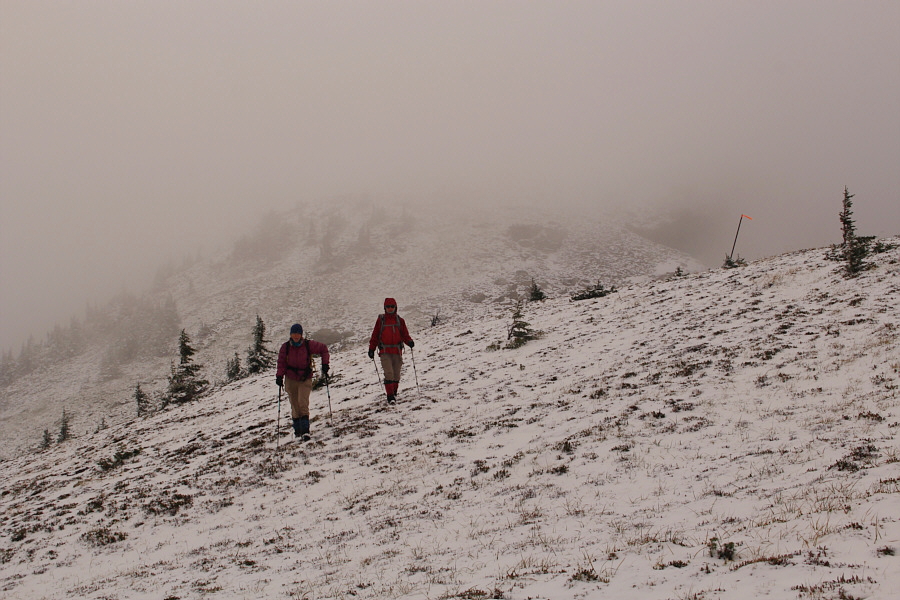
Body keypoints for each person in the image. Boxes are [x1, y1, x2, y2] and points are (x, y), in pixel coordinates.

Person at [275, 324, 330, 437]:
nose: (296, 336)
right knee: (295, 405)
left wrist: (325, 364)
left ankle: (305, 431)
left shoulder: (308, 345)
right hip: (290, 379)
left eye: (298, 333)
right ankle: (297, 431)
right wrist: (279, 376)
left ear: (301, 334)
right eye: (294, 333)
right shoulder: (285, 347)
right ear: (290, 334)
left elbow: (323, 349)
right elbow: (281, 363)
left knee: (302, 403)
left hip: (305, 378)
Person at [368, 298, 414, 404]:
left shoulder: (400, 321)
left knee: (396, 375)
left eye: (392, 306)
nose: (390, 309)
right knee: (389, 373)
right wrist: (371, 349)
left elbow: (405, 335)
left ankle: (394, 393)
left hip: (397, 351)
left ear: (395, 307)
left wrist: (409, 341)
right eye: (388, 307)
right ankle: (390, 397)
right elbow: (375, 335)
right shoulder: (381, 320)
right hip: (385, 351)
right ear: (384, 308)